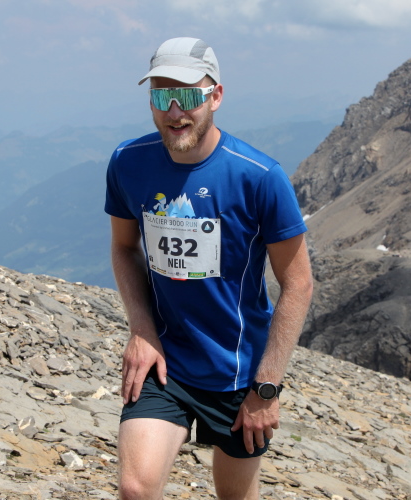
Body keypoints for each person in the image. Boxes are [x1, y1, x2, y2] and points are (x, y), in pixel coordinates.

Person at [104, 37, 313, 500]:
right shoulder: (127, 162)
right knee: (135, 489)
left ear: (215, 96)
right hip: (165, 361)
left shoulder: (260, 177)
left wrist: (267, 388)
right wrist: (142, 329)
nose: (174, 111)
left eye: (188, 96)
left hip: (238, 374)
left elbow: (298, 283)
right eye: (161, 96)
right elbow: (123, 247)